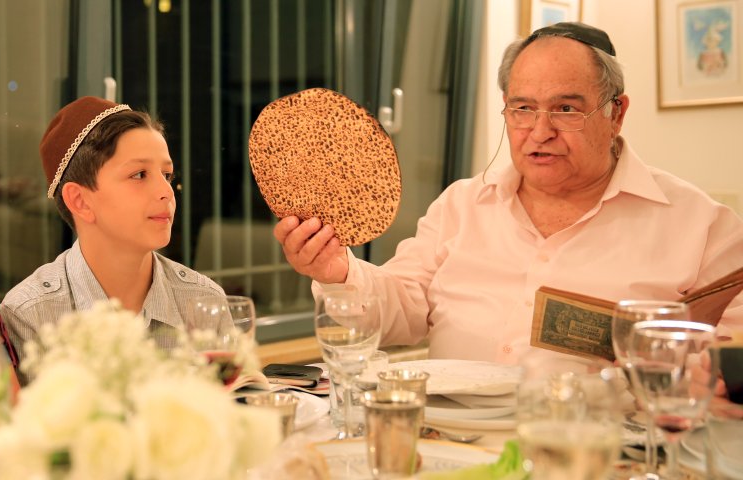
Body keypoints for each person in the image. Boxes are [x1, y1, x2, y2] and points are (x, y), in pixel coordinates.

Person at [273, 22, 743, 365]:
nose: (540, 131)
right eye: (522, 108)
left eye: (565, 109)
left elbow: (729, 369)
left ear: (615, 113)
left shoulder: (701, 227)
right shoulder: (461, 205)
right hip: (452, 448)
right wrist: (339, 273)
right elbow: (402, 313)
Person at [0, 97, 223, 380]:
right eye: (139, 174)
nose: (166, 192)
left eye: (166, 174)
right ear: (80, 201)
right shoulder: (31, 315)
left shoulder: (204, 300)